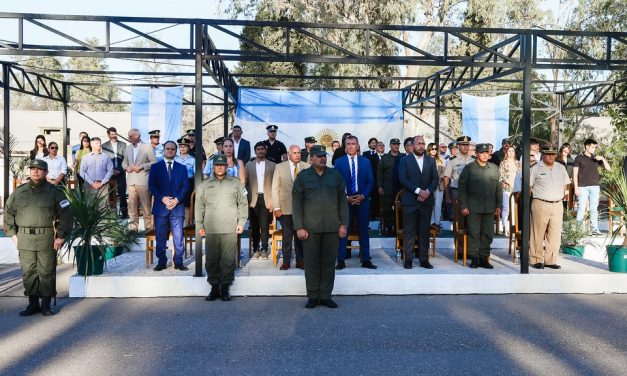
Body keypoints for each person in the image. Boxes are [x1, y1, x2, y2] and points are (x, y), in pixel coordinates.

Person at [4, 159, 73, 316]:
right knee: (29, 272)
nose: (35, 171)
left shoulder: (54, 192)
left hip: (46, 238)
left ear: (46, 172)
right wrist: (13, 236)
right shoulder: (19, 192)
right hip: (24, 238)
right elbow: (8, 213)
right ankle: (33, 304)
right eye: (33, 168)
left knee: (46, 271)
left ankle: (46, 305)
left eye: (39, 169)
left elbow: (67, 215)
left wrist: (60, 237)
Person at [293, 145, 348, 309]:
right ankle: (313, 296)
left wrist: (344, 224)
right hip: (310, 230)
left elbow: (342, 202)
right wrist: (299, 227)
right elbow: (296, 204)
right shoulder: (303, 177)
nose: (322, 158)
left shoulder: (335, 176)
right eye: (318, 156)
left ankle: (325, 296)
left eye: (324, 155)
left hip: (331, 228)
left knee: (329, 264)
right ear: (311, 158)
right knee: (311, 264)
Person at [196, 154, 248, 302]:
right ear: (213, 167)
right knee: (211, 260)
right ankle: (214, 288)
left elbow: (243, 203)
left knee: (228, 260)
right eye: (217, 165)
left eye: (222, 165)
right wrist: (199, 224)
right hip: (211, 228)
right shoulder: (204, 185)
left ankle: (225, 288)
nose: (219, 167)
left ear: (227, 166)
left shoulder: (236, 183)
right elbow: (199, 206)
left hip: (229, 227)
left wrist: (241, 223)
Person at [334, 136, 377, 270]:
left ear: (358, 146)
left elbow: (371, 181)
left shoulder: (365, 162)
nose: (351, 146)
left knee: (364, 230)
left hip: (362, 201)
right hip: (345, 202)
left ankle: (365, 259)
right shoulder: (339, 162)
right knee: (343, 230)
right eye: (348, 144)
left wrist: (363, 196)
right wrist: (346, 197)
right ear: (345, 146)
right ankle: (340, 260)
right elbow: (336, 184)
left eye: (353, 144)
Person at [458, 143, 503, 269]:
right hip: (473, 207)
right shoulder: (469, 168)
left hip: (489, 207)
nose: (484, 155)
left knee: (488, 233)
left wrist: (499, 205)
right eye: (482, 152)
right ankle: (474, 258)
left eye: (487, 153)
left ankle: (484, 258)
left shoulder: (494, 169)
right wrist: (464, 206)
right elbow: (462, 188)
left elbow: (499, 189)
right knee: (474, 233)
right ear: (476, 154)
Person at [399, 136, 439, 269]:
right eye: (418, 144)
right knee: (409, 231)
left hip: (426, 202)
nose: (421, 146)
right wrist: (418, 191)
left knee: (424, 231)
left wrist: (426, 191)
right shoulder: (405, 160)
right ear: (412, 145)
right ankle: (408, 259)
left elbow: (435, 179)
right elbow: (403, 179)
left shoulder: (431, 160)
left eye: (423, 144)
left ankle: (424, 259)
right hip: (410, 201)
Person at [149, 141, 190, 271]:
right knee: (161, 236)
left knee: (178, 236)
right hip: (161, 207)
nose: (170, 151)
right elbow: (152, 186)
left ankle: (178, 261)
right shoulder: (155, 167)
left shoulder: (182, 168)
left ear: (176, 151)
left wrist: (176, 200)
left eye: (173, 149)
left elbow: (186, 186)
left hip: (177, 207)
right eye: (168, 148)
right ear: (164, 150)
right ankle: (161, 262)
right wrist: (163, 199)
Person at [530, 145, 571, 270]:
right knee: (538, 233)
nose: (551, 156)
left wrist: (563, 196)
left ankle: (550, 260)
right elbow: (529, 186)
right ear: (543, 155)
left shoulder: (561, 167)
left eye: (553, 154)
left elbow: (566, 185)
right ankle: (536, 259)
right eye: (548, 154)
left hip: (557, 204)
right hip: (540, 203)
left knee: (555, 234)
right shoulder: (536, 168)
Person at [272, 145, 310, 270]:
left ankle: (300, 261)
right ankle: (286, 262)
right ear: (289, 154)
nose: (297, 155)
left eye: (299, 152)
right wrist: (276, 207)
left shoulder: (307, 166)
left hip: (302, 209)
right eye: (294, 153)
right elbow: (275, 188)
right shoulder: (279, 167)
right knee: (287, 236)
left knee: (301, 237)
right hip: (285, 208)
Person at [244, 142, 276, 260]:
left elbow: (275, 184)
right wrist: (245, 201)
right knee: (255, 226)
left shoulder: (273, 165)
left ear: (265, 151)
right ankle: (256, 249)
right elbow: (245, 183)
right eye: (258, 149)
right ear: (255, 151)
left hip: (267, 199)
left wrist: (274, 202)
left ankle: (264, 249)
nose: (261, 151)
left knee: (265, 226)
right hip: (253, 200)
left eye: (263, 149)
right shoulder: (249, 165)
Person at [573, 138, 611, 235]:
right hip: (582, 186)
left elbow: (608, 169)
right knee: (581, 207)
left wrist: (602, 158)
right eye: (593, 147)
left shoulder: (596, 158)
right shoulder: (578, 158)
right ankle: (578, 230)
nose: (594, 149)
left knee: (594, 208)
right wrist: (576, 188)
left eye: (595, 147)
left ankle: (594, 229)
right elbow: (574, 174)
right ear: (587, 146)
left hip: (595, 186)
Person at [122, 128, 157, 232]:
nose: (129, 138)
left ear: (137, 136)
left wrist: (142, 166)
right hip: (131, 181)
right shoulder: (128, 148)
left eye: (130, 136)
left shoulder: (147, 147)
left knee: (146, 206)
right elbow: (124, 162)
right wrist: (126, 167)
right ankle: (133, 228)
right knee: (132, 206)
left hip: (143, 181)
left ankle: (148, 227)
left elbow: (154, 162)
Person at [377, 138, 404, 235]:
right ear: (390, 145)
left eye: (397, 144)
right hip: (387, 187)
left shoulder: (403, 157)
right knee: (388, 208)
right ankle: (389, 227)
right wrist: (380, 186)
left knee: (400, 208)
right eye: (394, 144)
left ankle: (399, 227)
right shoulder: (385, 158)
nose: (396, 146)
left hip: (400, 188)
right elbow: (379, 173)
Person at [443, 136, 474, 215]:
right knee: (456, 216)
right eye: (463, 145)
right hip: (456, 191)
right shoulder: (453, 160)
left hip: (471, 192)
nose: (465, 147)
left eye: (467, 145)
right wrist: (447, 196)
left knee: (471, 216)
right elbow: (446, 178)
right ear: (458, 146)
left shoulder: (473, 160)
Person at [102, 127, 128, 218]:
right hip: (110, 173)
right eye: (112, 134)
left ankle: (124, 213)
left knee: (122, 193)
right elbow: (104, 160)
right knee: (110, 194)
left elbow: (126, 159)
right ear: (108, 135)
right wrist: (112, 170)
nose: (114, 136)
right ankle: (112, 214)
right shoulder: (104, 146)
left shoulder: (123, 144)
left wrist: (120, 170)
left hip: (121, 172)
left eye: (115, 134)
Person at [79, 137, 114, 204]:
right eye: (97, 143)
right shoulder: (86, 157)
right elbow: (82, 172)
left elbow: (110, 170)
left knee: (103, 206)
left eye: (100, 143)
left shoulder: (106, 157)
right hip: (89, 185)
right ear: (91, 144)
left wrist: (102, 183)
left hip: (103, 186)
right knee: (89, 206)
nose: (99, 144)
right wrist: (92, 183)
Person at [498, 145, 520, 236]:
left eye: (512, 151)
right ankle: (504, 227)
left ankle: (514, 228)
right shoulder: (503, 163)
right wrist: (508, 182)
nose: (511, 153)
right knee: (506, 208)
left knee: (515, 208)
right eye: (509, 151)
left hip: (516, 188)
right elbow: (501, 176)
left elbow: (520, 174)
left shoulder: (518, 163)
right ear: (506, 153)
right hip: (506, 187)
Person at [175, 137, 196, 226]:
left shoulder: (192, 159)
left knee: (187, 204)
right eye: (181, 146)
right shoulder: (175, 159)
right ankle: (177, 225)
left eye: (185, 146)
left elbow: (195, 174)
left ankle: (186, 225)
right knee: (177, 203)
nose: (183, 148)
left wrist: (195, 187)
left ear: (188, 148)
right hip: (177, 183)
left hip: (188, 182)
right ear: (179, 148)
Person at [427, 142, 445, 229]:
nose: (434, 150)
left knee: (438, 205)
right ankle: (430, 223)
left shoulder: (441, 160)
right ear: (429, 150)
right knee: (430, 205)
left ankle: (436, 224)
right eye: (432, 149)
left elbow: (444, 173)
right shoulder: (425, 159)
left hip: (438, 185)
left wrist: (439, 179)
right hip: (429, 186)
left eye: (435, 149)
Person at [557, 143, 575, 209]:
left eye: (567, 151)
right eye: (564, 151)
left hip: (568, 184)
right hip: (558, 183)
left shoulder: (571, 160)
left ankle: (565, 213)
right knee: (559, 199)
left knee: (566, 199)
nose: (566, 152)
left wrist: (572, 179)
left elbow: (573, 171)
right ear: (561, 150)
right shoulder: (557, 160)